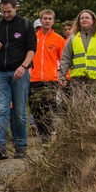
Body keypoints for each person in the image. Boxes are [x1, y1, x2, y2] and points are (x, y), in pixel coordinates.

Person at [0, 0, 36, 160]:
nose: (6, 15)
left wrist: (24, 66)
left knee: (20, 112)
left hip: (19, 72)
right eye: (3, 12)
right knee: (1, 110)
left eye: (9, 12)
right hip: (0, 72)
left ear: (16, 8)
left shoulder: (26, 24)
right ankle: (0, 146)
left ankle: (20, 146)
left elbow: (31, 49)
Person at [28, 9, 65, 145]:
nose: (47, 21)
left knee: (48, 107)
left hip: (51, 79)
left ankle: (47, 137)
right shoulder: (32, 37)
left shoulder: (59, 39)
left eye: (50, 18)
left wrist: (64, 77)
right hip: (34, 78)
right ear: (41, 20)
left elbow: (64, 60)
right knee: (36, 108)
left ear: (53, 21)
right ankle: (43, 134)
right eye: (45, 18)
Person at [59, 9, 96, 89]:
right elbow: (66, 58)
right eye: (81, 18)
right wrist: (62, 76)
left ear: (93, 20)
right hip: (78, 79)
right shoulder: (73, 37)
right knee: (78, 101)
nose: (84, 20)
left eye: (87, 18)